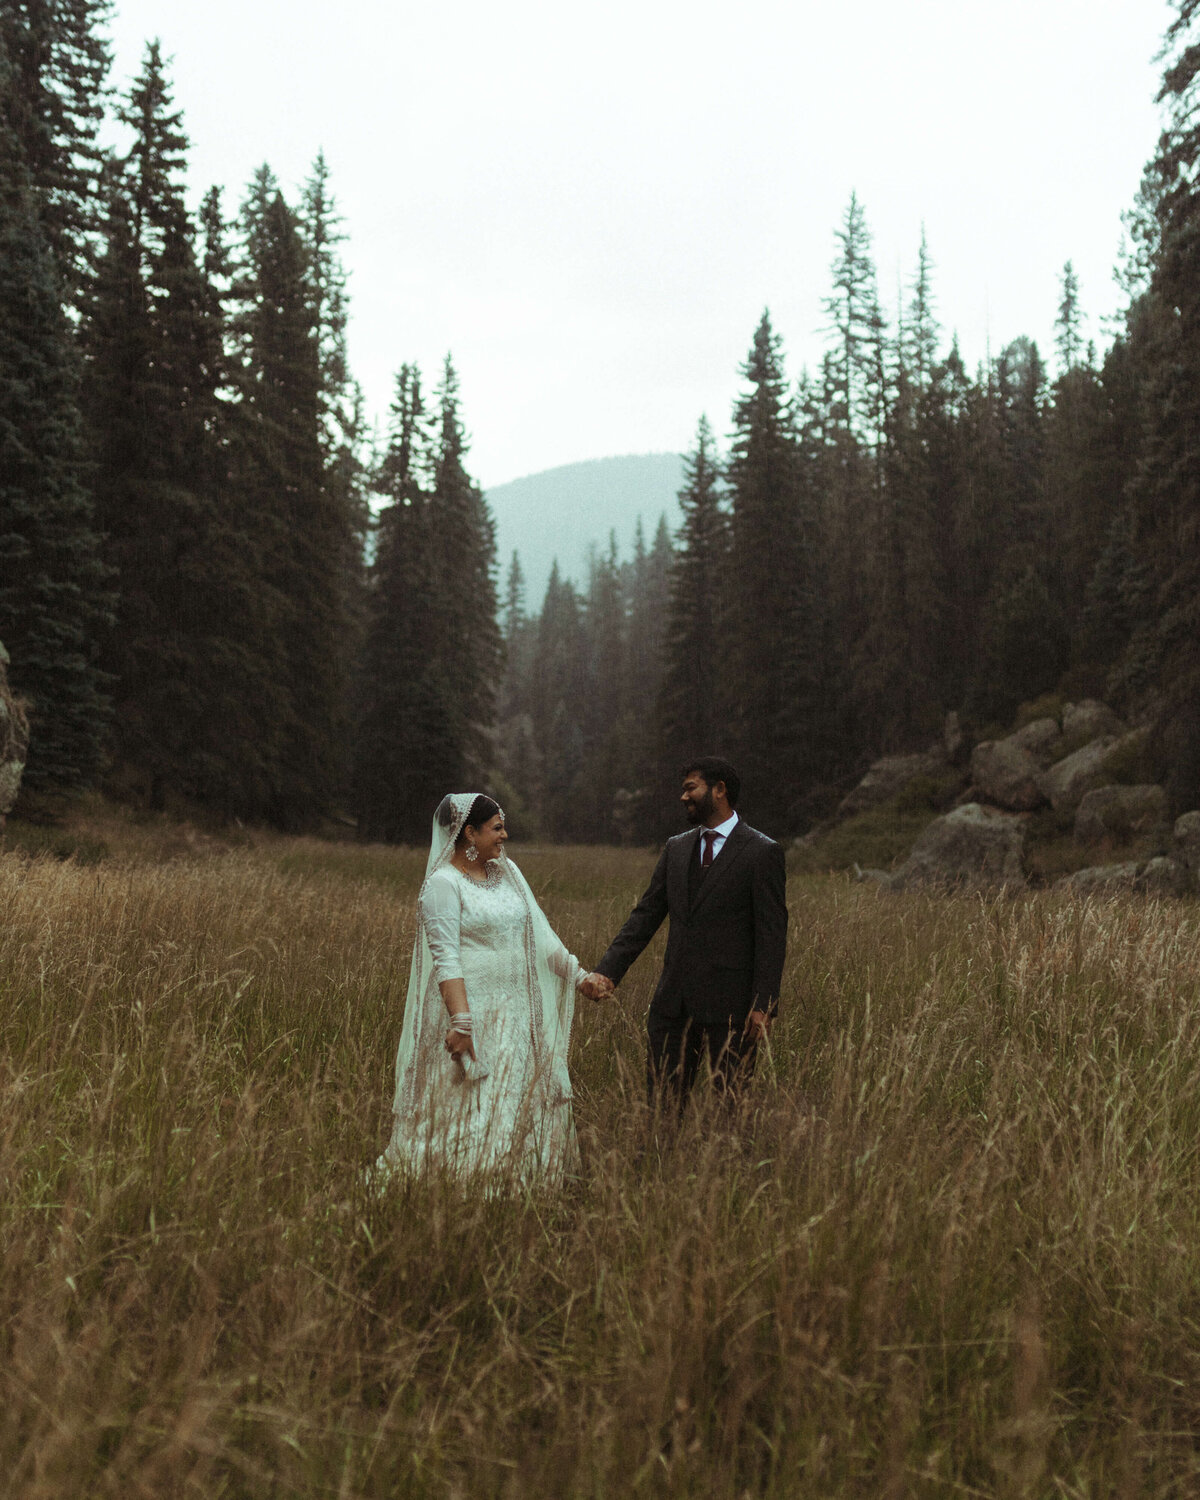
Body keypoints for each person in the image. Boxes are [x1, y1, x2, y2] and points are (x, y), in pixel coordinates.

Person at [377, 792, 607, 1183]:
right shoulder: (443, 885)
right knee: (471, 1105)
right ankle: (463, 1183)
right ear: (469, 833)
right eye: (497, 828)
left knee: (515, 1097)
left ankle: (522, 1179)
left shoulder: (508, 873)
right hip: (474, 1012)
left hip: (517, 1013)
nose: (505, 836)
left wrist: (580, 976)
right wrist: (462, 1022)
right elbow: (446, 957)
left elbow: (541, 936)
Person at [583, 758, 787, 1110]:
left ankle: (725, 1167)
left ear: (719, 789)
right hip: (673, 1006)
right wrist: (608, 971)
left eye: (691, 787)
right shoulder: (676, 848)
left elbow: (772, 934)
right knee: (662, 1108)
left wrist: (764, 1004)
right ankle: (661, 1165)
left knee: (731, 1112)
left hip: (733, 1010)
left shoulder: (761, 852)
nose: (683, 796)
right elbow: (645, 916)